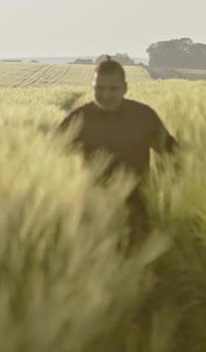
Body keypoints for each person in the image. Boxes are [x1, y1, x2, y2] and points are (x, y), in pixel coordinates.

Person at [56, 57, 179, 250]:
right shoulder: (78, 119)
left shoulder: (143, 116)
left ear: (125, 88)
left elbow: (173, 154)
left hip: (138, 214)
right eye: (99, 88)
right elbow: (52, 159)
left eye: (112, 89)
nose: (105, 95)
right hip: (92, 214)